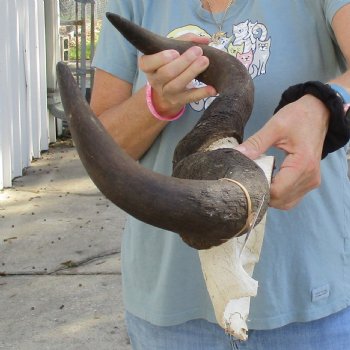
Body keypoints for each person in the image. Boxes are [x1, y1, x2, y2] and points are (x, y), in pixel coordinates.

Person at [90, 0, 350, 349]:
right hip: (172, 311)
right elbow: (103, 148)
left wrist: (326, 102)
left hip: (308, 302)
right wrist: (157, 102)